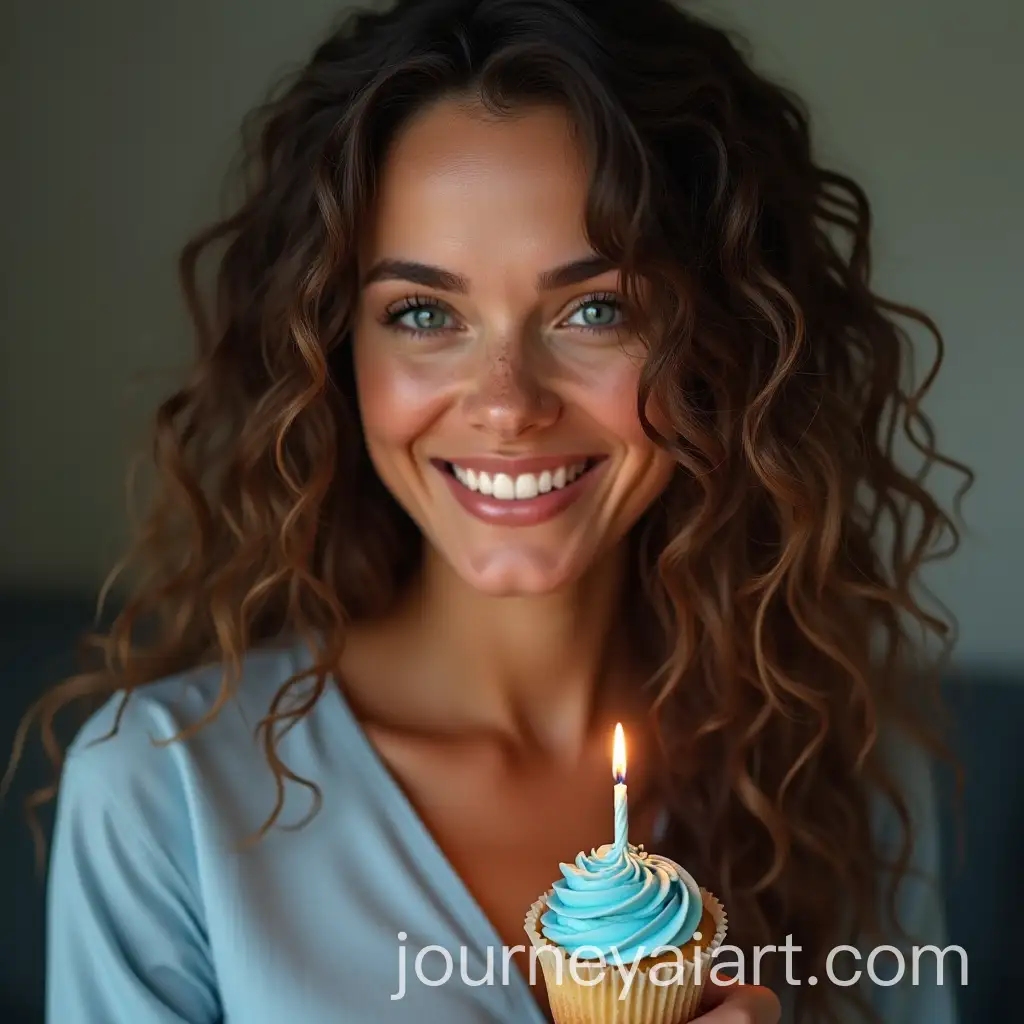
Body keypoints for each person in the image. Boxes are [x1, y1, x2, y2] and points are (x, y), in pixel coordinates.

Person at [8, 0, 969, 1021]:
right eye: (424, 313)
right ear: (336, 354)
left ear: (723, 345)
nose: (508, 404)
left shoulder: (837, 766)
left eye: (596, 308)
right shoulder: (166, 790)